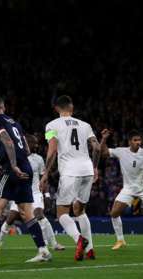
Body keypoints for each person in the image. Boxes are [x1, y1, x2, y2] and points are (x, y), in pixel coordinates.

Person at [0, 96, 51, 262]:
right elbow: (26, 147)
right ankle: (43, 250)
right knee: (26, 213)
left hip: (12, 170)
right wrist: (18, 161)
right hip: (25, 166)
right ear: (3, 107)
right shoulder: (14, 122)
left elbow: (7, 141)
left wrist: (12, 165)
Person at [40, 95, 100, 261]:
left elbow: (52, 149)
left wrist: (45, 174)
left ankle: (79, 240)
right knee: (80, 210)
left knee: (62, 213)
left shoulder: (51, 125)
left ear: (56, 108)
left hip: (70, 171)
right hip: (87, 169)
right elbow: (96, 147)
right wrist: (95, 167)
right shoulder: (86, 125)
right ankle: (90, 250)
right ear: (71, 107)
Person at [0, 134, 65, 251]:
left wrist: (47, 194)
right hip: (20, 191)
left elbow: (44, 178)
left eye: (37, 143)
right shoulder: (16, 158)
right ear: (25, 143)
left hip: (35, 192)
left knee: (39, 214)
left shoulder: (38, 159)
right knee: (10, 219)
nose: (36, 145)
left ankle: (54, 244)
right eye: (34, 143)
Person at [100, 129, 143, 250]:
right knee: (114, 213)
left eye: (139, 140)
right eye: (135, 140)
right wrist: (104, 138)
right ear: (129, 141)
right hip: (128, 188)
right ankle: (120, 240)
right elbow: (103, 152)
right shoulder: (121, 151)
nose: (138, 142)